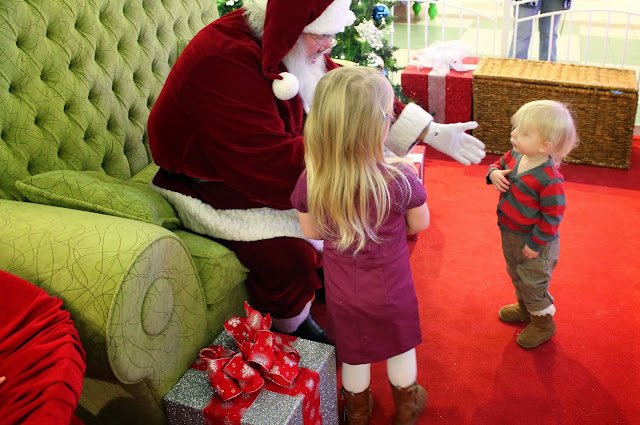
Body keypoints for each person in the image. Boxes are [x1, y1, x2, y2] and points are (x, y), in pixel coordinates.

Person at [148, 0, 485, 344]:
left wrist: (429, 130)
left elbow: (354, 95)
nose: (329, 45)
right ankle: (292, 324)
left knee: (341, 218)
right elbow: (264, 167)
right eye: (321, 36)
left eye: (331, 34)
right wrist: (361, 170)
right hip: (211, 182)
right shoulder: (222, 61)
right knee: (288, 256)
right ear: (292, 27)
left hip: (276, 163)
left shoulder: (287, 38)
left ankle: (324, 280)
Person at [291, 66, 430, 425]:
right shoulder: (400, 178)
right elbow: (420, 223)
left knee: (354, 355)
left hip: (344, 294)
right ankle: (406, 406)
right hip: (393, 290)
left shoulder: (313, 181)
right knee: (400, 347)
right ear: (380, 126)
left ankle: (357, 412)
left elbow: (315, 231)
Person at [486, 100, 578, 349]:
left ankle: (543, 323)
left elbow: (553, 217)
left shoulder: (549, 180)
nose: (513, 134)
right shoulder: (516, 155)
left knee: (533, 280)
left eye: (523, 132)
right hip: (511, 232)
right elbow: (497, 164)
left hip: (535, 243)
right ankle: (526, 308)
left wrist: (536, 243)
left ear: (545, 146)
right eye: (515, 127)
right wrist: (493, 173)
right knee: (516, 273)